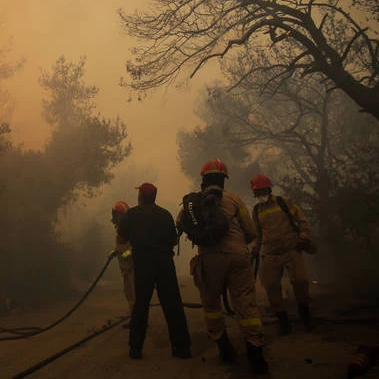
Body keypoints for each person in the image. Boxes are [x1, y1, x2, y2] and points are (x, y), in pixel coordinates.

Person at [177, 159, 268, 374]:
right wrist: (238, 244)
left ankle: (224, 347)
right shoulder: (235, 200)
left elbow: (181, 224)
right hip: (237, 257)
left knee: (211, 306)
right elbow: (252, 232)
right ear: (223, 180)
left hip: (209, 260)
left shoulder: (193, 203)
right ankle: (255, 352)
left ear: (203, 179)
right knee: (245, 304)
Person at [117, 183, 191, 360]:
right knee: (173, 306)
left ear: (140, 196)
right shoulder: (165, 214)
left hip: (143, 265)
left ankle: (136, 349)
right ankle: (182, 349)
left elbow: (121, 238)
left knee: (140, 307)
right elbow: (173, 241)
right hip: (164, 264)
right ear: (154, 197)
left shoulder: (132, 214)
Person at [250, 174, 316, 334]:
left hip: (292, 249)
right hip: (270, 255)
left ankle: (306, 318)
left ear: (269, 189)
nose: (260, 194)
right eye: (257, 192)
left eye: (262, 190)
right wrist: (255, 248)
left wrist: (304, 238)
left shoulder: (284, 202)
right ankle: (284, 323)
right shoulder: (257, 210)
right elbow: (257, 233)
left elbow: (302, 220)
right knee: (271, 287)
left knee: (301, 282)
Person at [111, 201, 134, 328]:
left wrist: (127, 253)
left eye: (118, 214)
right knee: (128, 294)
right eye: (115, 214)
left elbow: (135, 244)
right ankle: (133, 318)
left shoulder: (131, 227)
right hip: (125, 268)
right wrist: (115, 251)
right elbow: (121, 244)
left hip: (133, 267)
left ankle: (139, 321)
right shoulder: (120, 229)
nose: (116, 217)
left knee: (135, 294)